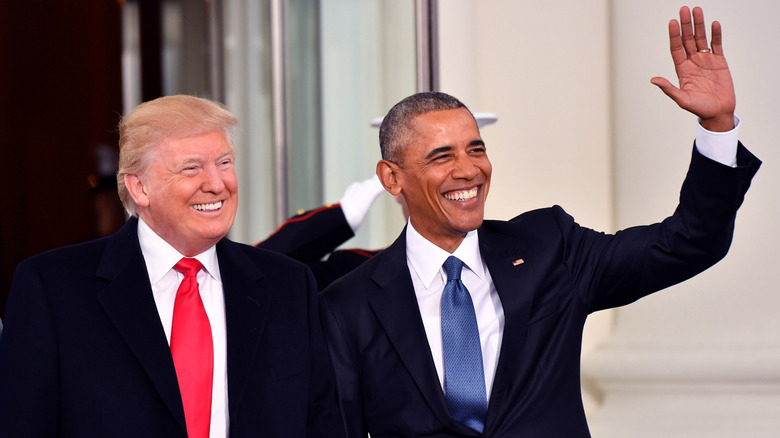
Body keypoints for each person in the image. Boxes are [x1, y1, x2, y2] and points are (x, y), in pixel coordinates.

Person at [319, 6, 760, 437]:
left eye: (476, 149)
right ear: (391, 178)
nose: (469, 170)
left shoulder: (550, 248)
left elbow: (688, 242)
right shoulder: (349, 304)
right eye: (442, 156)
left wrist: (717, 125)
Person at [0, 95, 344, 438]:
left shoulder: (288, 285)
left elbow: (322, 424)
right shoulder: (52, 289)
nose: (216, 183)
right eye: (191, 168)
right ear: (139, 187)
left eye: (224, 163)